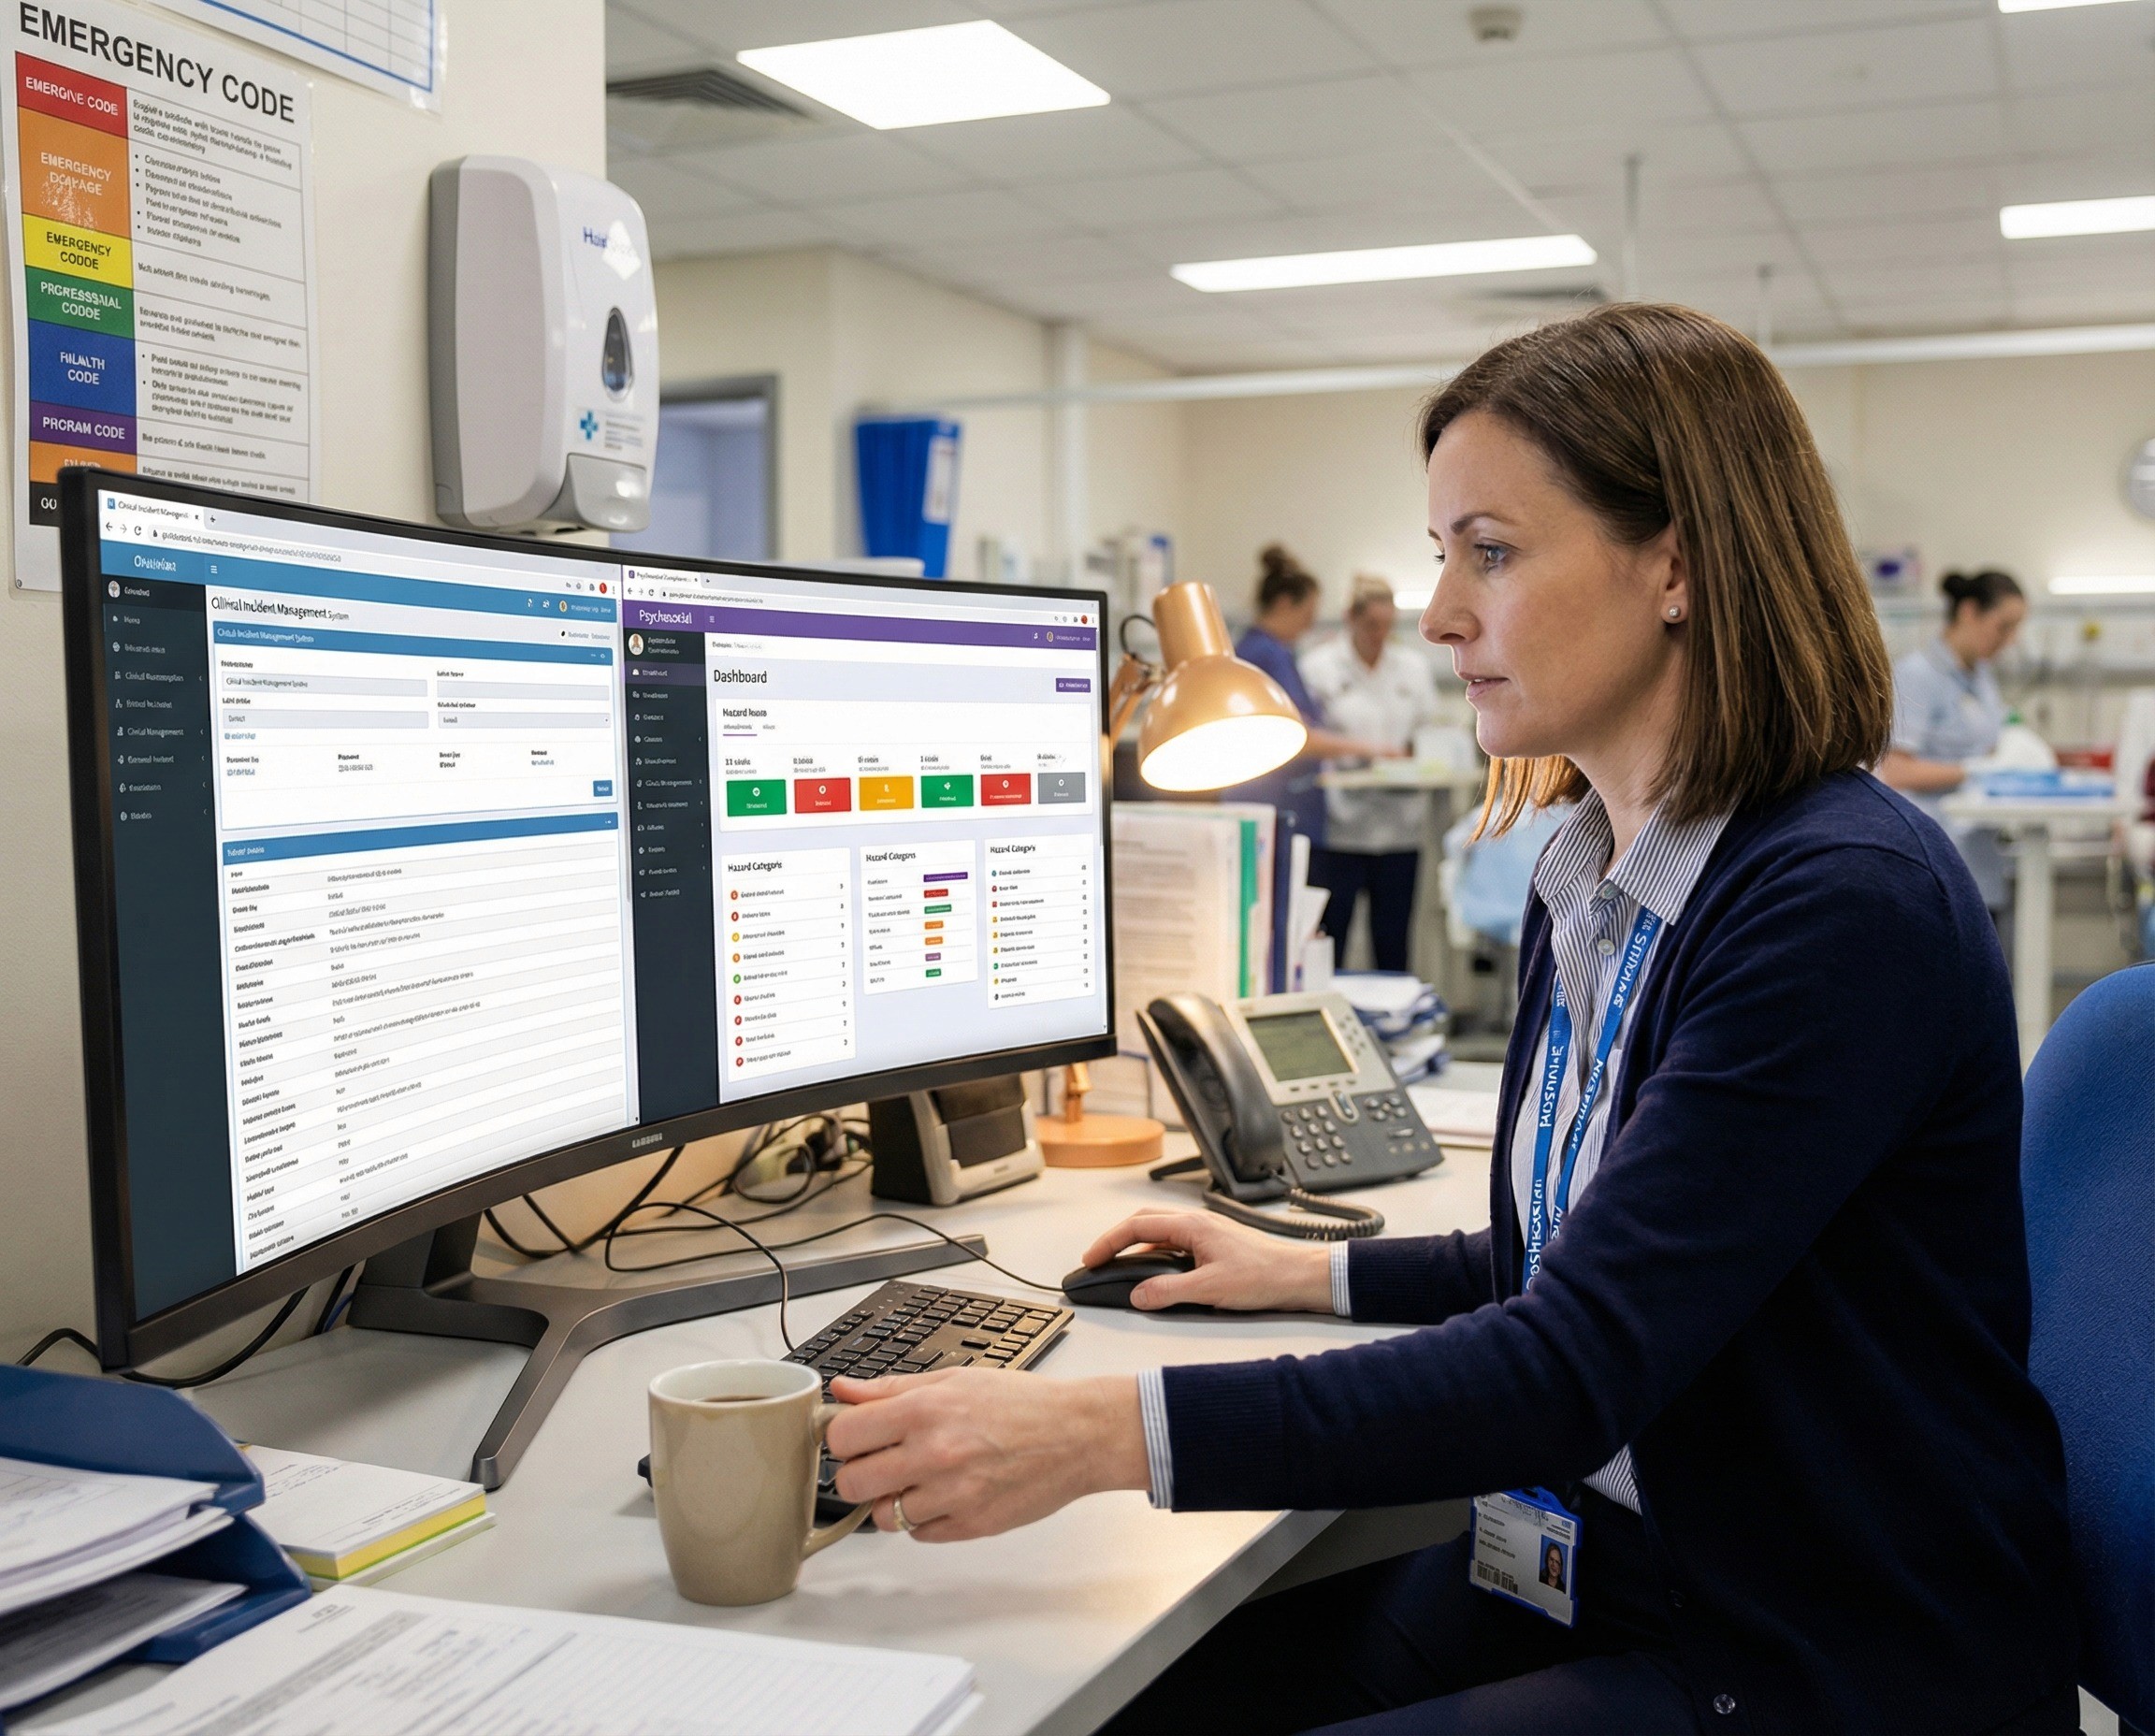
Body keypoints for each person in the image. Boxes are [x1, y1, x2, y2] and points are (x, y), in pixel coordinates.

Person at [823, 306, 2076, 1733]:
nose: (1437, 616)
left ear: (1677, 564)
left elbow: (1574, 1363)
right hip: (1604, 1563)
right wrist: (1299, 1270)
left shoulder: (1838, 906)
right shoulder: (1590, 867)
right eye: (1440, 558)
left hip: (1814, 1647)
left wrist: (1099, 1433)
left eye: (1491, 551)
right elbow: (1576, 1248)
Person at [1300, 575, 1444, 972]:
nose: (1380, 635)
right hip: (1339, 829)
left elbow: (1427, 733)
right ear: (1350, 618)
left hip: (1401, 828)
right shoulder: (1319, 668)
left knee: (1392, 940)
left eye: (1387, 625)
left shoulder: (1412, 669)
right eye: (1371, 625)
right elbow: (1310, 736)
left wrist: (1419, 755)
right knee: (1332, 939)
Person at [1221, 544, 1399, 846]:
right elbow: (1296, 736)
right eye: (1308, 612)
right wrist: (1374, 749)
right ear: (1284, 603)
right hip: (1272, 803)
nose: (1311, 623)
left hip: (1282, 803)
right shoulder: (1266, 655)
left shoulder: (1271, 652)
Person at [1878, 568, 2028, 911]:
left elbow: (1990, 743)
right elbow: (1896, 771)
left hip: (1979, 854)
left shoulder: (1982, 676)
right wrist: (1976, 771)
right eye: (2003, 628)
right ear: (1969, 612)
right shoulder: (1917, 675)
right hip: (1934, 853)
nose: (2010, 640)